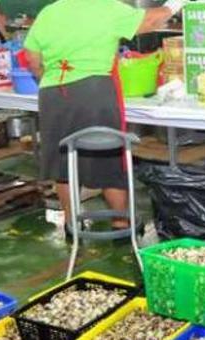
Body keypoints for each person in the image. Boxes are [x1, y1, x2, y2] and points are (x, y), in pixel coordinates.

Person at [24, 0, 182, 230]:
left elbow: (32, 58)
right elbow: (150, 20)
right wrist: (175, 5)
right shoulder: (106, 7)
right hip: (94, 93)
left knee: (64, 163)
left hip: (53, 94)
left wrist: (46, 77)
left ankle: (71, 223)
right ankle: (120, 221)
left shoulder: (49, 11)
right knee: (107, 158)